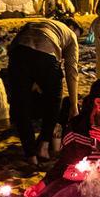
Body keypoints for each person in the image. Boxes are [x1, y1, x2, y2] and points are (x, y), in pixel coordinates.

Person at [6, 18, 79, 166]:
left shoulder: (38, 22)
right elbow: (72, 71)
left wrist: (31, 79)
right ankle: (44, 146)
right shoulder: (71, 36)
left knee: (22, 106)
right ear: (72, 28)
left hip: (19, 52)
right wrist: (74, 104)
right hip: (46, 55)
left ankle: (30, 154)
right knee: (54, 100)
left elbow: (12, 47)